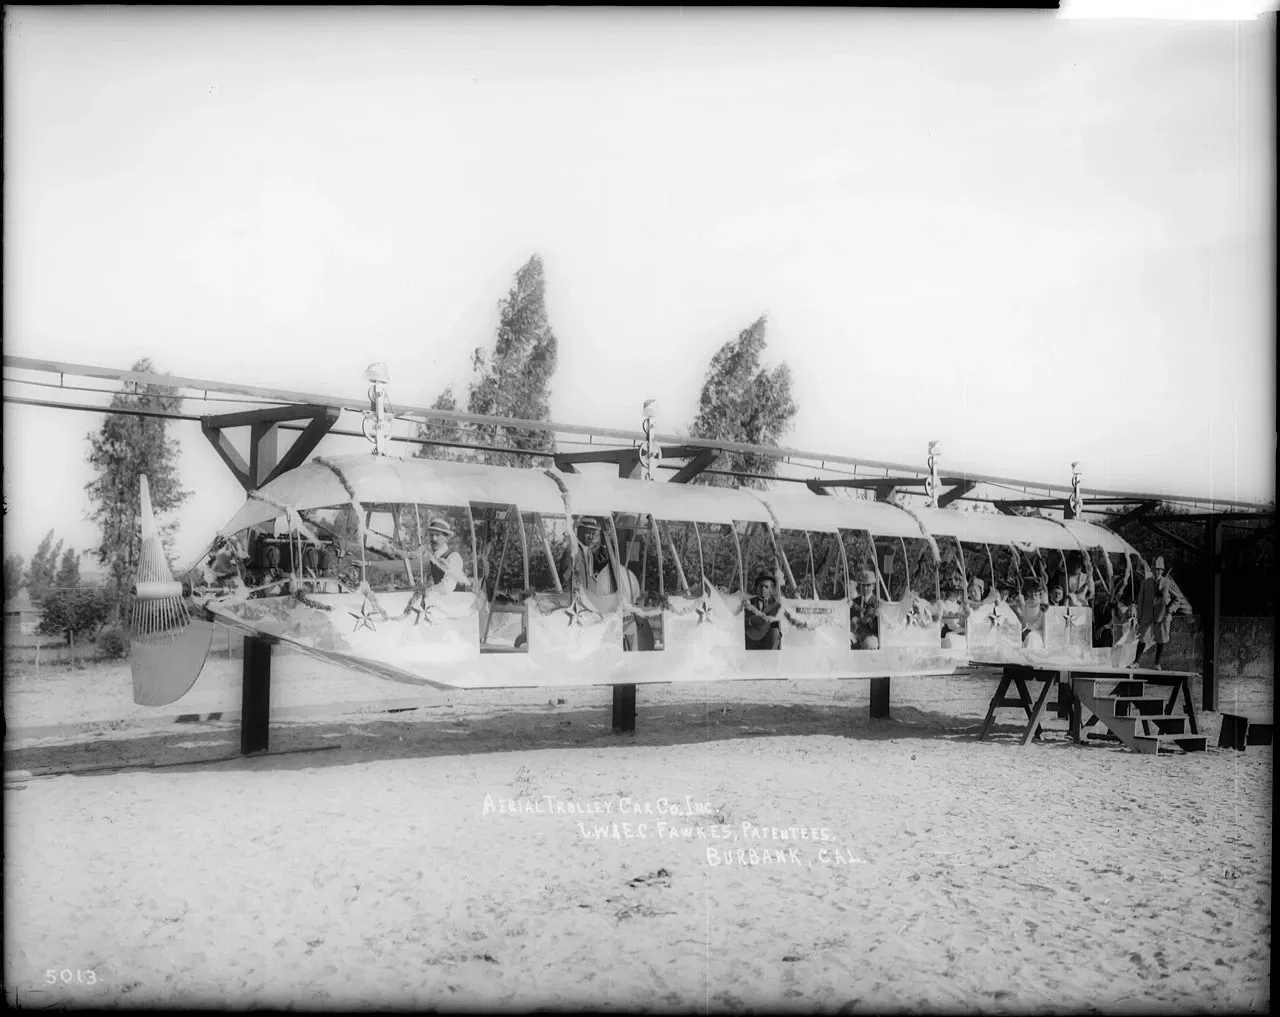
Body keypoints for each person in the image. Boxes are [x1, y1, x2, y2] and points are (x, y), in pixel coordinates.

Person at [1134, 556, 1185, 669]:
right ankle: (1136, 662)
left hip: (1163, 614)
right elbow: (1141, 600)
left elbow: (1178, 598)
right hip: (1147, 614)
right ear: (1151, 570)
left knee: (1161, 639)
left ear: (1162, 570)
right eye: (1154, 569)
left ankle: (1157, 663)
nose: (1156, 571)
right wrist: (1139, 616)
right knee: (1142, 638)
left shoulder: (1167, 582)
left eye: (1159, 569)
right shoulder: (1145, 583)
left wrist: (1170, 609)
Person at [423, 517, 471, 595]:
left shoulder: (454, 557)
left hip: (458, 603)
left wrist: (426, 591)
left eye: (438, 535)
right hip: (443, 603)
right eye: (431, 535)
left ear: (447, 538)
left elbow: (446, 587)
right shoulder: (433, 559)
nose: (433, 538)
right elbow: (416, 565)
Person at [745, 573, 782, 650]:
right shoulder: (748, 603)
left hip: (769, 642)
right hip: (751, 641)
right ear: (757, 588)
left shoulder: (777, 606)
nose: (763, 588)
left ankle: (772, 658)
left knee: (775, 632)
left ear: (771, 589)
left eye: (766, 587)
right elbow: (739, 621)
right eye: (761, 586)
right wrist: (751, 620)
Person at [849, 569, 880, 650]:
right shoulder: (854, 602)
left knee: (870, 644)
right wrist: (849, 632)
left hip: (871, 637)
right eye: (862, 585)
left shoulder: (878, 603)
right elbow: (849, 621)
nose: (865, 588)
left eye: (868, 585)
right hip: (856, 637)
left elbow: (879, 628)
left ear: (873, 586)